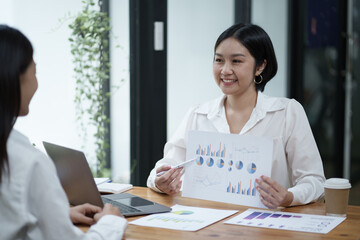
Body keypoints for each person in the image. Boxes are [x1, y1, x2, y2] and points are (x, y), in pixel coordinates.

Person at [147, 23, 326, 208]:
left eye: (236, 61)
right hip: (206, 224)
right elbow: (167, 165)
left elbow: (315, 181)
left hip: (264, 226)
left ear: (260, 66)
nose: (225, 70)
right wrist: (160, 180)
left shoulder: (287, 112)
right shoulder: (198, 114)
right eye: (219, 60)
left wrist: (289, 197)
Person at [0, 25, 127, 239]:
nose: (37, 82)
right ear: (15, 77)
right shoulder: (28, 162)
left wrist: (54, 215)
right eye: (35, 71)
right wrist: (111, 223)